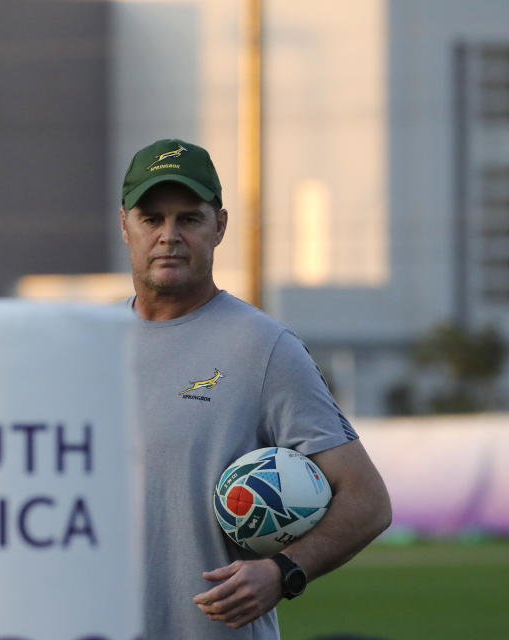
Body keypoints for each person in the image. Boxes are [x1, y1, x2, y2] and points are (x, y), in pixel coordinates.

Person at [118, 138, 392, 639]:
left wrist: (282, 571)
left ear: (219, 226)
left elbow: (367, 500)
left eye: (189, 219)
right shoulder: (89, 346)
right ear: (125, 226)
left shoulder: (262, 347)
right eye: (152, 218)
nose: (169, 236)